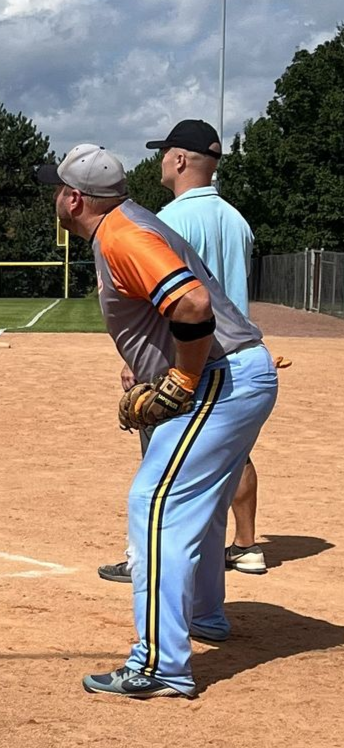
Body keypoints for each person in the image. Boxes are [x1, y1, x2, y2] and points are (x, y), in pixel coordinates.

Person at [37, 144, 277, 698]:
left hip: (219, 379)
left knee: (155, 505)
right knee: (200, 501)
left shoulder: (123, 235)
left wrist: (181, 381)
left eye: (57, 189)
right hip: (237, 373)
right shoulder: (126, 223)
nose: (54, 196)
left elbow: (191, 306)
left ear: (75, 199)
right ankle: (205, 615)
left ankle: (159, 665)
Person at [97, 119, 266, 582]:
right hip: (237, 354)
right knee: (233, 458)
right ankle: (247, 546)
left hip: (187, 357)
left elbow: (180, 301)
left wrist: (139, 366)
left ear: (180, 160)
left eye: (164, 153)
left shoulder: (163, 222)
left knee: (161, 471)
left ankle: (146, 559)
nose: (160, 161)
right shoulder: (238, 220)